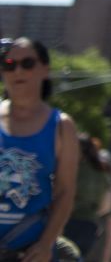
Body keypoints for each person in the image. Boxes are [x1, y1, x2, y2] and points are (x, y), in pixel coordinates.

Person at [0, 38, 79, 261]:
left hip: (30, 252)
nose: (17, 71)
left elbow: (65, 192)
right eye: (8, 64)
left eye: (27, 63)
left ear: (45, 69)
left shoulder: (62, 126)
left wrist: (46, 244)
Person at [64, 134, 111, 259]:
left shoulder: (75, 169)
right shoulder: (102, 172)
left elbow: (63, 195)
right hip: (90, 225)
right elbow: (106, 205)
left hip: (70, 222)